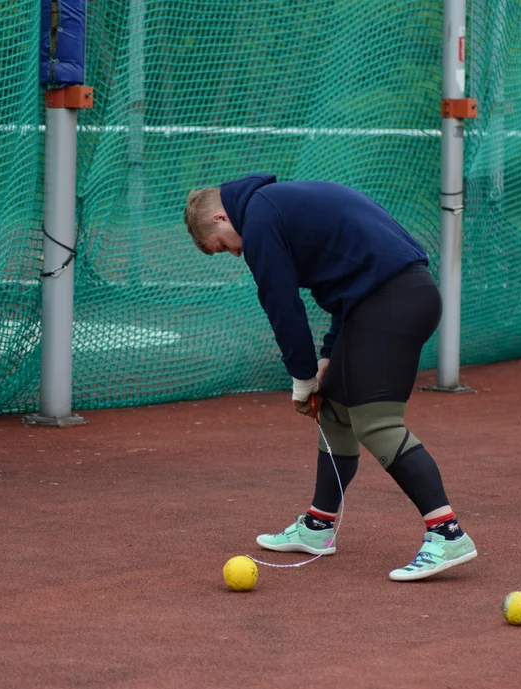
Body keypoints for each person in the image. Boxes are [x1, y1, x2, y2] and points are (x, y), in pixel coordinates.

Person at [183, 173, 477, 580]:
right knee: (335, 408)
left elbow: (282, 305)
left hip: (394, 300)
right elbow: (349, 281)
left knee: (377, 423)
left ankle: (448, 534)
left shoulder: (259, 218)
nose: (235, 254)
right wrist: (326, 357)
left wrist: (301, 378)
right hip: (387, 297)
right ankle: (319, 526)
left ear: (220, 218)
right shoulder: (275, 203)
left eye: (222, 247)